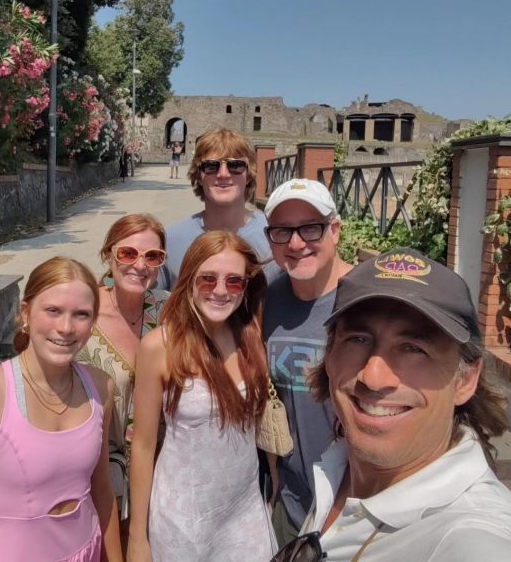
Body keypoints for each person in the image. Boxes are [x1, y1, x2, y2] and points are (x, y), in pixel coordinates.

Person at [286, 247, 511, 562]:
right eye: (358, 339)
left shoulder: (474, 539)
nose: (372, 377)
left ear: (466, 379)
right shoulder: (341, 461)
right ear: (329, 354)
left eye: (414, 348)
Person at [0, 257, 122, 562]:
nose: (66, 327)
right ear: (26, 313)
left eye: (81, 315)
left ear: (92, 325)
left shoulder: (100, 387)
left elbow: (102, 492)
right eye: (53, 311)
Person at [128, 231, 278, 562]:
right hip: (182, 521)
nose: (221, 291)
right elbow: (142, 446)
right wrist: (138, 538)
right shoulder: (160, 348)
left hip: (245, 513)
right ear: (189, 281)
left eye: (234, 281)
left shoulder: (251, 339)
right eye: (208, 279)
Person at [262, 178, 352, 546]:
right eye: (283, 231)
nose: (296, 243)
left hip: (356, 508)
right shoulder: (265, 293)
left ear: (335, 230)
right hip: (292, 501)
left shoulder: (369, 297)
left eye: (310, 228)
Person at [76, 214, 169, 522]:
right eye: (128, 253)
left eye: (152, 256)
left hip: (159, 473)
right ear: (108, 255)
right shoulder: (81, 314)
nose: (140, 265)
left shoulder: (170, 311)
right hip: (95, 477)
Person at [157, 127, 278, 290]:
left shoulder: (276, 236)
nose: (223, 174)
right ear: (199, 176)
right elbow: (149, 305)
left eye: (235, 165)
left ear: (249, 175)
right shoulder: (171, 240)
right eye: (211, 166)